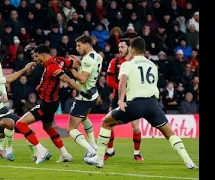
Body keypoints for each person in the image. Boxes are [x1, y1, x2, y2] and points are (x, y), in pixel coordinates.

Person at [84, 37, 198, 169]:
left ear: (132, 49)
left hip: (135, 105)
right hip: (152, 105)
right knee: (169, 133)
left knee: (106, 122)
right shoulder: (152, 65)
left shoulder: (127, 64)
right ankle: (189, 161)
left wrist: (121, 100)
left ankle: (99, 158)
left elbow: (122, 82)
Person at [15, 44, 91, 164]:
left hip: (47, 104)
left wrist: (81, 91)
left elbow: (66, 78)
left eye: (36, 56)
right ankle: (65, 154)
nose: (35, 59)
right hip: (53, 103)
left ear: (43, 55)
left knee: (20, 124)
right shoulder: (60, 60)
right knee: (47, 127)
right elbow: (74, 64)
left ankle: (41, 150)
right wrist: (77, 61)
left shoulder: (52, 67)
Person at [105, 38, 143, 161]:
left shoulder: (136, 62)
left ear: (129, 48)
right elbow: (109, 81)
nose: (120, 49)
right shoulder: (114, 61)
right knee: (108, 124)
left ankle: (137, 153)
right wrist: (122, 88)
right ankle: (110, 151)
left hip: (133, 97)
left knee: (136, 127)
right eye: (119, 47)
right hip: (117, 97)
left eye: (122, 47)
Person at [67, 35, 103, 159]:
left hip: (83, 96)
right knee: (84, 118)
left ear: (87, 45)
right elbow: (89, 70)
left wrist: (71, 68)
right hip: (93, 94)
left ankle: (90, 151)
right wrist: (79, 64)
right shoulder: (97, 56)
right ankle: (93, 145)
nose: (77, 48)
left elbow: (82, 79)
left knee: (71, 129)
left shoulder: (88, 59)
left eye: (79, 45)